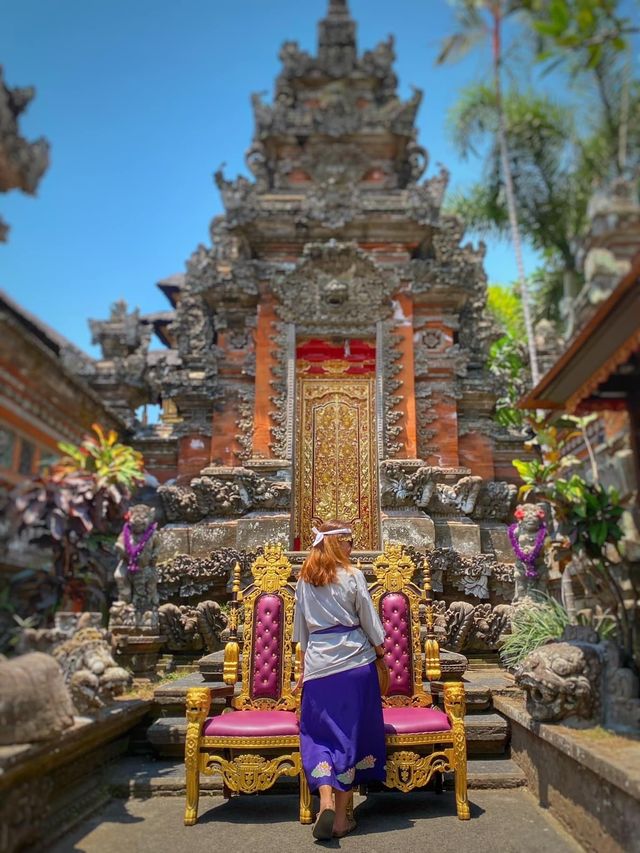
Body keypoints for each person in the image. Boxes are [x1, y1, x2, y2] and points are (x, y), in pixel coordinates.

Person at [293, 520, 387, 840]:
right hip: (354, 665)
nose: (352, 547)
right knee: (349, 737)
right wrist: (380, 648)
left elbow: (300, 634)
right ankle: (341, 821)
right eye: (348, 541)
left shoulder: (305, 580)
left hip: (318, 667)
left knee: (318, 735)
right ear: (335, 544)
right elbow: (370, 622)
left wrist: (304, 669)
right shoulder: (353, 576)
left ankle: (325, 799)